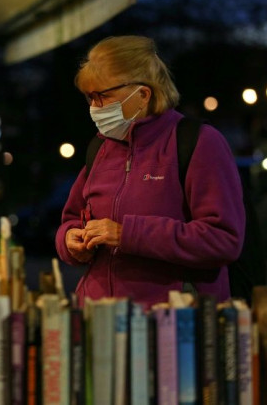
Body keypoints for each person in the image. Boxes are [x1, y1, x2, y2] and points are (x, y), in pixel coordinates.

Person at [55, 35, 245, 308]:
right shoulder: (101, 147)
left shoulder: (199, 142)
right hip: (98, 318)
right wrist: (71, 241)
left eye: (103, 96)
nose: (95, 107)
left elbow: (223, 240)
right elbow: (71, 219)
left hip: (172, 323)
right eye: (89, 97)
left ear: (142, 94)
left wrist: (127, 234)